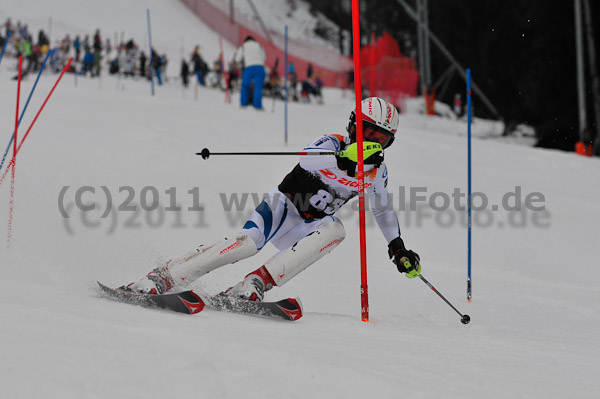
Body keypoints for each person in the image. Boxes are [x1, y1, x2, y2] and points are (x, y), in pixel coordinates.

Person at [124, 97, 421, 301]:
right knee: (247, 244)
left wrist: (397, 246)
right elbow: (307, 159)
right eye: (368, 131)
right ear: (354, 125)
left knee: (336, 230)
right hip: (283, 207)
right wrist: (343, 160)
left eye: (380, 139)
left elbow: (382, 208)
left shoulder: (376, 171)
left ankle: (254, 284)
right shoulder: (333, 144)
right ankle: (163, 276)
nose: (372, 141)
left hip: (310, 225)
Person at [235, 35, 266, 109]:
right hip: (260, 67)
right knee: (258, 87)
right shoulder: (259, 45)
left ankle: (244, 104)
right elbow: (264, 57)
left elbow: (237, 59)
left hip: (249, 67)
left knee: (245, 85)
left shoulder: (243, 46)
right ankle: (258, 106)